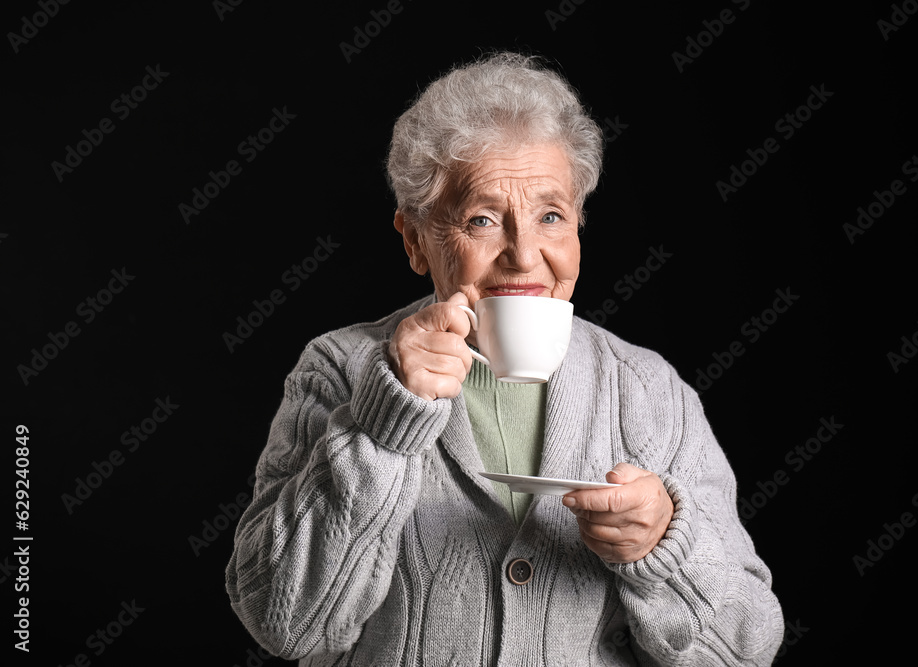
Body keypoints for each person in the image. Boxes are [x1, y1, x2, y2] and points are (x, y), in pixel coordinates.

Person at [226, 51, 784, 665]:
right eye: (483, 219)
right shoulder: (339, 367)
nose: (523, 254)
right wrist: (382, 428)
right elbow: (284, 624)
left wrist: (660, 546)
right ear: (416, 240)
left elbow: (746, 649)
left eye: (550, 216)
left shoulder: (649, 389)